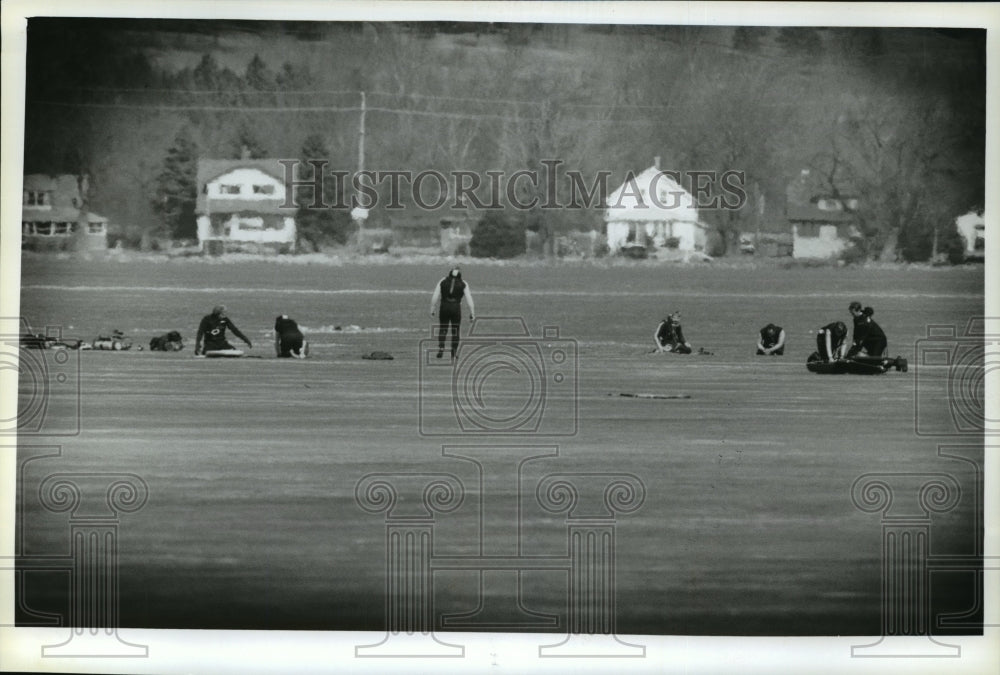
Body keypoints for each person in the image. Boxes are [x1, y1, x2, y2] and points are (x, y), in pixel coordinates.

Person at [430, 266, 475, 359]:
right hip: (456, 308)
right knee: (456, 330)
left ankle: (441, 348)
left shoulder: (442, 281)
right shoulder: (464, 283)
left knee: (443, 328)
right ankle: (453, 352)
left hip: (444, 307)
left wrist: (432, 308)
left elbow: (435, 296)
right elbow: (469, 299)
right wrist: (472, 313)